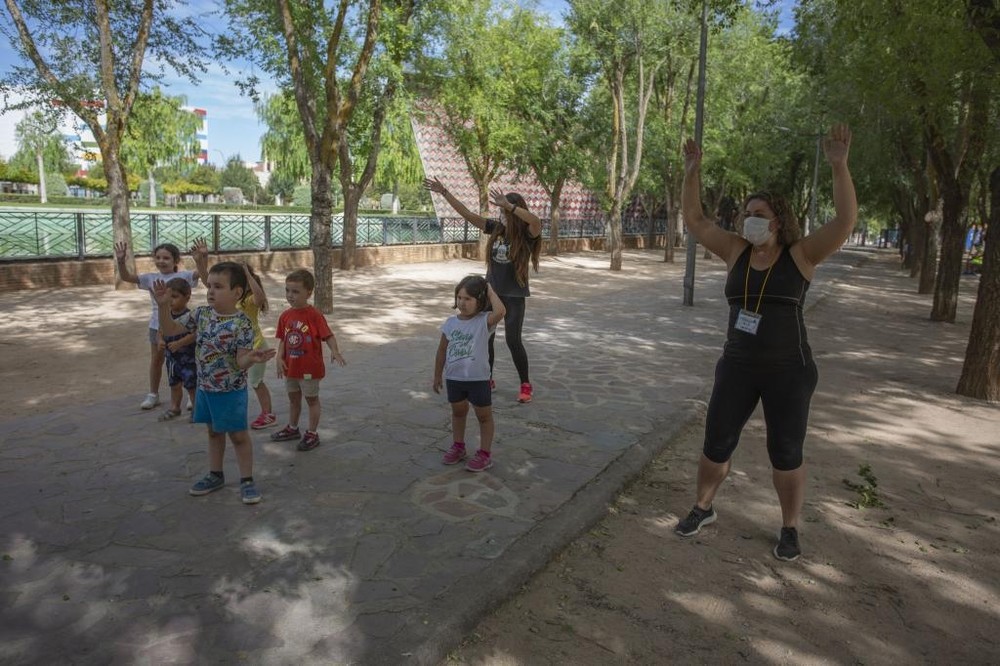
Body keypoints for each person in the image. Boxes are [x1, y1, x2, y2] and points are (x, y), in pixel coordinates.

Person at [674, 124, 857, 562]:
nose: (748, 219)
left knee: (786, 451)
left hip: (788, 370)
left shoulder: (802, 255)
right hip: (737, 365)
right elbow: (696, 220)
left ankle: (790, 527)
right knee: (716, 442)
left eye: (757, 213)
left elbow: (845, 221)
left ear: (777, 220)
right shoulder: (736, 250)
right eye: (745, 213)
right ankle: (703, 507)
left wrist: (839, 166)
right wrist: (692, 172)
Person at [153, 262, 276, 505]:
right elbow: (170, 330)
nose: (210, 291)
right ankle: (215, 474)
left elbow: (240, 361)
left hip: (230, 391)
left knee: (239, 437)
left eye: (218, 287)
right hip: (205, 389)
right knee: (213, 433)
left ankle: (247, 480)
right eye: (209, 285)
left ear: (237, 293)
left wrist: (251, 358)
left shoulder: (243, 323)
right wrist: (163, 306)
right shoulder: (201, 314)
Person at [424, 177, 542, 403]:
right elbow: (468, 215)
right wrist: (445, 191)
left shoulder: (528, 233)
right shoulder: (496, 229)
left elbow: (535, 221)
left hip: (514, 295)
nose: (502, 215)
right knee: (485, 337)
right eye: (501, 211)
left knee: (513, 340)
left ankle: (525, 384)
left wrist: (511, 207)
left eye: (505, 212)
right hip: (491, 293)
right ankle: (487, 378)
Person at [190, 239, 275, 429]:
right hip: (236, 351)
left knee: (255, 381)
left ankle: (268, 414)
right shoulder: (229, 303)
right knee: (244, 382)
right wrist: (200, 261)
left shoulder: (250, 301)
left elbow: (261, 297)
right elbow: (208, 281)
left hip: (255, 348)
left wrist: (246, 273)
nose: (213, 290)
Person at [433, 275, 507, 472]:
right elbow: (441, 351)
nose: (462, 303)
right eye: (459, 298)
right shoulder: (450, 323)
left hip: (478, 380)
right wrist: (437, 375)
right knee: (458, 413)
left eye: (468, 299)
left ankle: (484, 454)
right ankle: (458, 446)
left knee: (484, 416)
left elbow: (501, 311)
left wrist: (490, 291)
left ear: (480, 301)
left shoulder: (484, 322)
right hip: (455, 379)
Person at [115, 240, 199, 410]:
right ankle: (153, 394)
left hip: (182, 324)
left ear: (175, 261)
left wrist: (201, 258)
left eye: (166, 258)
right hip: (157, 325)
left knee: (188, 359)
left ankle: (192, 394)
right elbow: (126, 277)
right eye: (158, 257)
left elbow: (203, 274)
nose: (161, 261)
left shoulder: (184, 276)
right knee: (157, 360)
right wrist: (121, 261)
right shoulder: (150, 278)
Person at [270, 269, 346, 451]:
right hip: (291, 368)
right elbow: (283, 339)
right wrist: (279, 358)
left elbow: (328, 335)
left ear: (309, 293)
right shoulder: (285, 316)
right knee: (293, 399)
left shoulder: (314, 315)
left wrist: (334, 351)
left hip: (309, 368)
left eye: (295, 291)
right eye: (287, 290)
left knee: (311, 400)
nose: (290, 295)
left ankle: (312, 433)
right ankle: (293, 428)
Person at [156, 277, 197, 422]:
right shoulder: (166, 315)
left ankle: (197, 410)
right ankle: (175, 407)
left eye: (175, 297)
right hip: (172, 359)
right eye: (169, 297)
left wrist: (180, 342)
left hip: (188, 359)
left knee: (192, 386)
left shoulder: (190, 316)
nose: (171, 301)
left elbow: (195, 334)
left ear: (187, 297)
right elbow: (160, 331)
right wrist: (160, 341)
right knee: (174, 385)